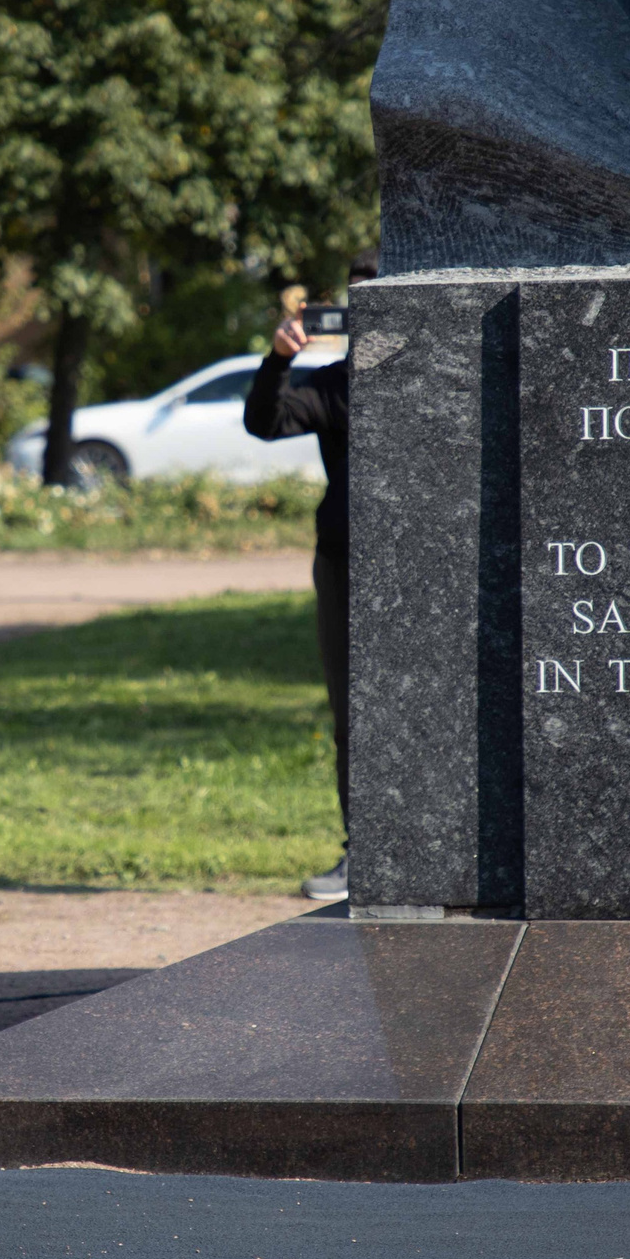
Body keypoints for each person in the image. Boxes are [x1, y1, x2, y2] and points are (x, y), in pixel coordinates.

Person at [244, 282, 359, 902]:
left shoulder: (445, 372)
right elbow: (265, 421)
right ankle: (360, 851)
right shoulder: (338, 382)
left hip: (434, 563)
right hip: (345, 561)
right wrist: (279, 359)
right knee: (351, 710)